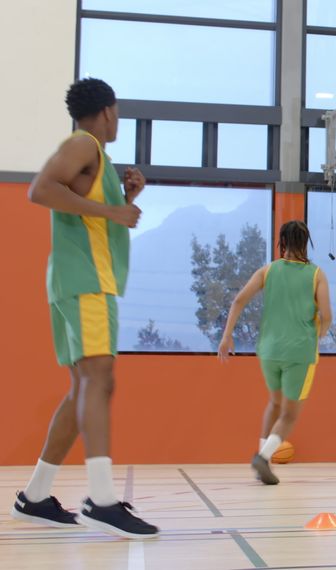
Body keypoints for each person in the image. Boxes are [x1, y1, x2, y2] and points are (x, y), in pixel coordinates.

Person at [11, 78, 158, 538]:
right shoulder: (83, 144)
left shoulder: (97, 157)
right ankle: (102, 500)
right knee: (100, 380)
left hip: (76, 281)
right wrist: (115, 212)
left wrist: (125, 199)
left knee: (82, 389)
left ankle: (35, 496)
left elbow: (81, 209)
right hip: (87, 282)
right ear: (109, 112)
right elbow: (39, 190)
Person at [218, 221, 332, 485]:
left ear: (282, 243)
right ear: (306, 243)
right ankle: (263, 456)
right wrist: (319, 332)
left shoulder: (268, 270)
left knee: (275, 403)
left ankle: (264, 458)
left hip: (268, 351)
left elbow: (238, 301)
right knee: (290, 414)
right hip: (299, 353)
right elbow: (327, 315)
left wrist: (226, 336)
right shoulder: (316, 275)